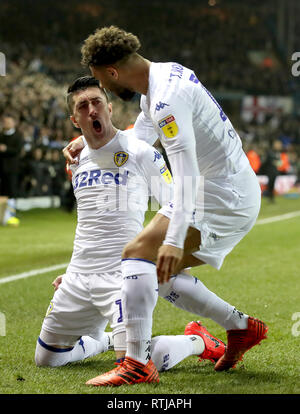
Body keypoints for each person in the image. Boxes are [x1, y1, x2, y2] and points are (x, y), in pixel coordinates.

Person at [63, 26, 269, 386]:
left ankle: (137, 365)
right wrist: (90, 142)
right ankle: (240, 327)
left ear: (112, 72)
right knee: (146, 273)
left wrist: (173, 239)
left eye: (102, 82)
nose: (106, 90)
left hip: (222, 196)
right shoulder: (161, 79)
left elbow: (185, 172)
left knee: (138, 255)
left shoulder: (165, 100)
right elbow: (138, 137)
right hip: (224, 188)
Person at [35, 76, 226, 379]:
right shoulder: (76, 158)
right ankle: (107, 340)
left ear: (109, 108)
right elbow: (93, 221)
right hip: (78, 275)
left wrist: (170, 253)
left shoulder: (141, 152)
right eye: (83, 106)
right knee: (46, 359)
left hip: (122, 275)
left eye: (97, 102)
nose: (91, 110)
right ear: (75, 119)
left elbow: (176, 204)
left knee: (136, 361)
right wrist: (73, 271)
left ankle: (195, 341)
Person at [0, 114, 23, 225]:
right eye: (5, 122)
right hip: (2, 169)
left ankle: (11, 215)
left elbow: (17, 150)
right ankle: (3, 216)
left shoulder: (18, 136)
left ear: (13, 123)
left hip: (12, 169)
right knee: (2, 193)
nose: (7, 124)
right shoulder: (1, 135)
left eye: (9, 122)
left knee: (12, 192)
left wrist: (6, 149)